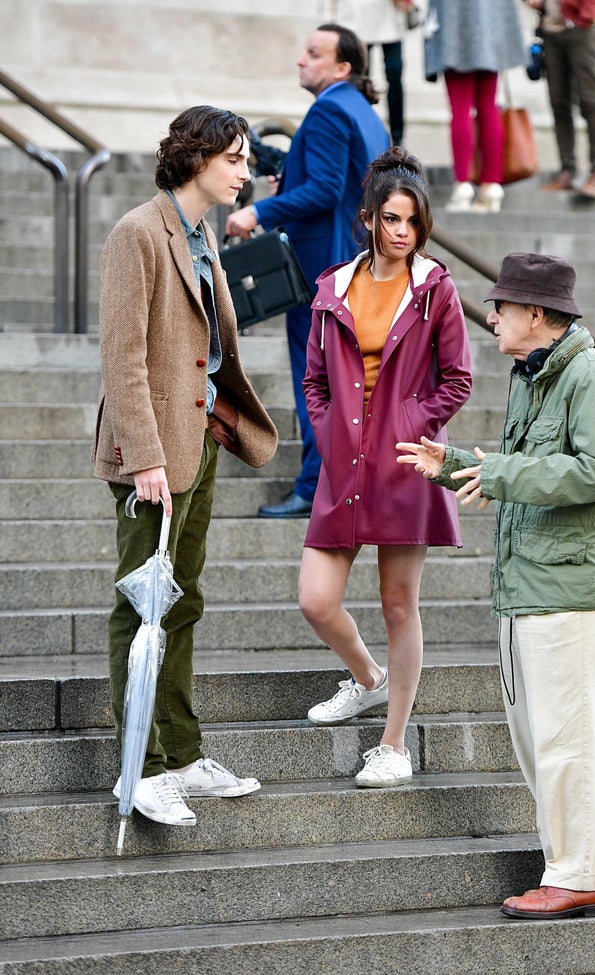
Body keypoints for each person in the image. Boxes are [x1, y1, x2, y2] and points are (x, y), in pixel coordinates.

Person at [397, 252, 595, 916]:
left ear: (537, 313)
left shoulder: (590, 377)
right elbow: (525, 466)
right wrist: (458, 465)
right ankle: (592, 863)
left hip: (566, 583)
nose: (491, 314)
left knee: (563, 737)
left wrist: (496, 473)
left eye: (501, 306)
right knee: (540, 736)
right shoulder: (532, 375)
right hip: (527, 580)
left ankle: (576, 872)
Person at [93, 106, 278, 827]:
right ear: (198, 158)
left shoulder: (199, 234)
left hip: (198, 437)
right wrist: (144, 457)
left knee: (183, 597)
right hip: (153, 452)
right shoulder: (139, 232)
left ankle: (182, 753)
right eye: (234, 158)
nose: (245, 171)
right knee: (142, 603)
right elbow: (124, 356)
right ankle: (139, 767)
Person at [299, 146, 473, 788]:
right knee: (316, 601)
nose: (402, 232)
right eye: (392, 220)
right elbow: (315, 380)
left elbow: (458, 379)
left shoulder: (435, 288)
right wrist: (325, 432)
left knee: (399, 604)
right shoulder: (332, 287)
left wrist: (408, 425)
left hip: (404, 462)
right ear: (370, 218)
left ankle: (393, 744)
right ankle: (368, 680)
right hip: (344, 463)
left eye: (412, 223)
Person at [225, 24, 390, 518]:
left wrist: (256, 212)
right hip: (353, 263)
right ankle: (338, 483)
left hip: (321, 270)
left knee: (316, 380)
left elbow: (322, 190)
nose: (301, 60)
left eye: (314, 54)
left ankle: (316, 484)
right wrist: (289, 176)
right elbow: (338, 187)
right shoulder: (363, 113)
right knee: (339, 380)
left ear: (342, 68)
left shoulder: (328, 110)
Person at [423, 0, 525, 212]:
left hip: (454, 26)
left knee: (460, 111)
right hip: (490, 27)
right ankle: (491, 185)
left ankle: (462, 184)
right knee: (488, 108)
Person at [524, 0, 595, 199]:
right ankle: (567, 171)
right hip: (551, 28)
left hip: (585, 24)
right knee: (559, 102)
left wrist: (588, 14)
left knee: (589, 101)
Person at [321, 0, 421, 146]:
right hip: (357, 15)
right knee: (360, 79)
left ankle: (398, 138)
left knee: (394, 74)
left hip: (391, 14)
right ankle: (362, 132)